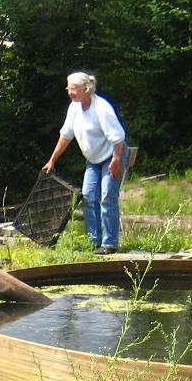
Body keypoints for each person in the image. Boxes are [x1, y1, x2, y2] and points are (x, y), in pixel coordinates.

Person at [42, 71, 127, 254]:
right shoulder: (74, 107)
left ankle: (109, 243)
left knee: (107, 197)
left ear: (86, 89)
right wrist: (52, 160)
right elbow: (65, 136)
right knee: (88, 197)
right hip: (93, 159)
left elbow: (118, 139)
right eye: (68, 88)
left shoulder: (101, 108)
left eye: (73, 88)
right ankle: (93, 241)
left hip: (113, 155)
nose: (69, 92)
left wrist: (116, 160)